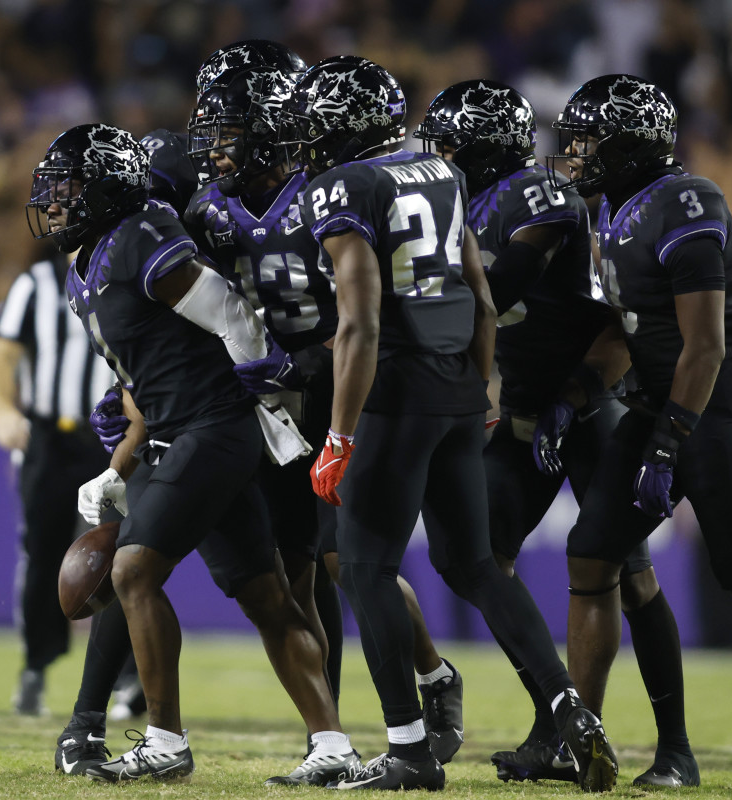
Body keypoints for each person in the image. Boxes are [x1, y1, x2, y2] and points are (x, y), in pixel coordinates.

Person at [287, 56, 617, 791]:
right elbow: (480, 292)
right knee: (471, 564)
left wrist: (340, 433)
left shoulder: (341, 187)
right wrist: (482, 383)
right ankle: (569, 708)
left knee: (365, 566)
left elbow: (360, 321)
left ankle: (408, 749)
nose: (304, 139)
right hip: (458, 389)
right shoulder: (439, 175)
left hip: (393, 391)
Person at [26, 122, 355, 784]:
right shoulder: (84, 264)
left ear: (105, 188)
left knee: (132, 574)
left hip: (209, 429)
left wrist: (264, 380)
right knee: (267, 599)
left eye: (65, 191)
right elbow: (145, 371)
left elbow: (228, 312)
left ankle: (166, 741)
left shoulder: (142, 233)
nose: (54, 205)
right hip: (183, 430)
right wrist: (119, 459)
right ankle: (333, 745)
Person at [414, 79, 697, 787]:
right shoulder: (455, 204)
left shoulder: (535, 194)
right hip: (523, 414)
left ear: (486, 148)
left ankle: (675, 748)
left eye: (451, 145)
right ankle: (560, 720)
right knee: (474, 556)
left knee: (628, 576)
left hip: (587, 402)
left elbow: (507, 283)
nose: (440, 157)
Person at [549, 74, 732, 792]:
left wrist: (670, 442)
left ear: (631, 141)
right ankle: (590, 744)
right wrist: (577, 392)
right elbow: (627, 330)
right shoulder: (612, 206)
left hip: (711, 403)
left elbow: (703, 344)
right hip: (652, 399)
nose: (576, 153)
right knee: (591, 555)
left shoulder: (687, 200)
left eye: (590, 139)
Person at [184, 61, 465, 763]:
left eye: (229, 136)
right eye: (211, 136)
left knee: (349, 560)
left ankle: (432, 671)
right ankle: (329, 740)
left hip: (342, 382)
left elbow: (371, 310)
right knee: (295, 569)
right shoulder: (209, 210)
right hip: (274, 404)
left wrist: (309, 367)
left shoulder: (328, 190)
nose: (214, 151)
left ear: (272, 135)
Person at [0, 239, 117, 715]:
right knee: (42, 551)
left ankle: (129, 676)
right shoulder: (36, 285)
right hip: (52, 438)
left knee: (126, 555)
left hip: (114, 440)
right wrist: (2, 411)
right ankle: (36, 664)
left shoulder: (130, 272)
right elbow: (1, 355)